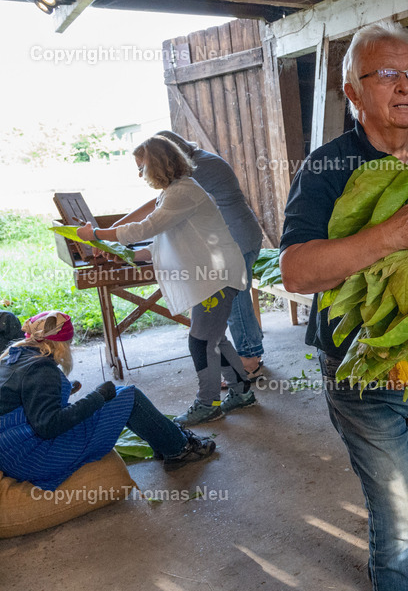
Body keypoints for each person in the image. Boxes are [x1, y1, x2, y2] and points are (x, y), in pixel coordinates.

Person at [279, 21, 408, 591]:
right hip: (361, 368)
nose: (406, 86)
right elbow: (296, 272)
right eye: (387, 74)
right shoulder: (326, 168)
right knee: (401, 518)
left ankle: (393, 559)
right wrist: (395, 233)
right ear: (355, 93)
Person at [76, 137, 253, 427]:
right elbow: (160, 241)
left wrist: (97, 234)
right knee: (214, 339)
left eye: (141, 166)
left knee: (200, 342)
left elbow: (144, 228)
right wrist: (128, 254)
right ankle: (242, 392)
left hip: (216, 278)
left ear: (156, 164)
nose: (140, 174)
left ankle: (208, 403)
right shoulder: (174, 192)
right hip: (212, 276)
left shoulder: (181, 192)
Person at [114, 131, 267, 382]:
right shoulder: (194, 164)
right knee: (231, 305)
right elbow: (160, 206)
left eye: (145, 166)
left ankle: (250, 359)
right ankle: (244, 363)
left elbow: (156, 209)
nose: (143, 173)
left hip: (236, 237)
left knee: (236, 301)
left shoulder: (197, 169)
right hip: (233, 235)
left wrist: (110, 232)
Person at [0, 312, 215, 490]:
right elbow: (49, 426)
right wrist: (97, 397)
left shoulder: (15, 356)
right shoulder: (42, 370)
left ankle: (166, 440)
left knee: (118, 395)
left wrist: (65, 390)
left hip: (11, 452)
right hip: (33, 457)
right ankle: (179, 450)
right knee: (128, 396)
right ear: (61, 345)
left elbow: (29, 397)